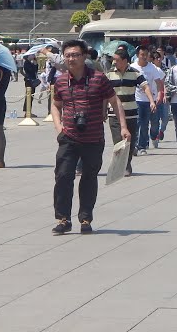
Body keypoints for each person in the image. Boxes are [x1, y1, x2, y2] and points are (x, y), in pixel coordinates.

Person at [50, 39, 130, 235]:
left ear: (84, 56)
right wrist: (58, 127)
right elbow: (55, 105)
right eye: (67, 55)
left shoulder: (98, 78)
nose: (71, 59)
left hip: (93, 138)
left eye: (75, 55)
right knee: (63, 176)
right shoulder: (60, 80)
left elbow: (114, 101)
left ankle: (85, 218)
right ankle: (63, 219)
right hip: (68, 137)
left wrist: (123, 127)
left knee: (89, 178)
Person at [106, 46, 143, 175]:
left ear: (125, 60)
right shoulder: (109, 74)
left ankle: (127, 165)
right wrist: (102, 110)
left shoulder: (135, 73)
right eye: (113, 60)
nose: (114, 62)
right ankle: (121, 166)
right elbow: (104, 94)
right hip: (114, 113)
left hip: (131, 113)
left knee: (130, 142)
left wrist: (152, 100)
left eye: (117, 59)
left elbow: (145, 86)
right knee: (118, 141)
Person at [131, 46, 163, 155]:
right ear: (137, 55)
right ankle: (137, 146)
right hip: (137, 99)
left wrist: (159, 95)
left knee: (148, 123)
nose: (144, 57)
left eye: (146, 54)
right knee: (139, 123)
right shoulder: (132, 67)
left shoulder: (152, 68)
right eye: (142, 55)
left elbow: (159, 82)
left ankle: (145, 143)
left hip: (150, 100)